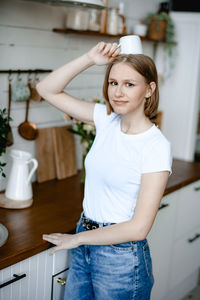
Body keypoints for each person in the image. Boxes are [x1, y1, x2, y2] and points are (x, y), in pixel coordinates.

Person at [38, 41, 172, 300]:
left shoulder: (156, 146)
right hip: (84, 242)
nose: (118, 92)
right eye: (113, 83)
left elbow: (138, 228)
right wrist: (89, 58)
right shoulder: (105, 119)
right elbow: (46, 89)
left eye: (129, 84)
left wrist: (77, 240)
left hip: (121, 258)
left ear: (149, 89)